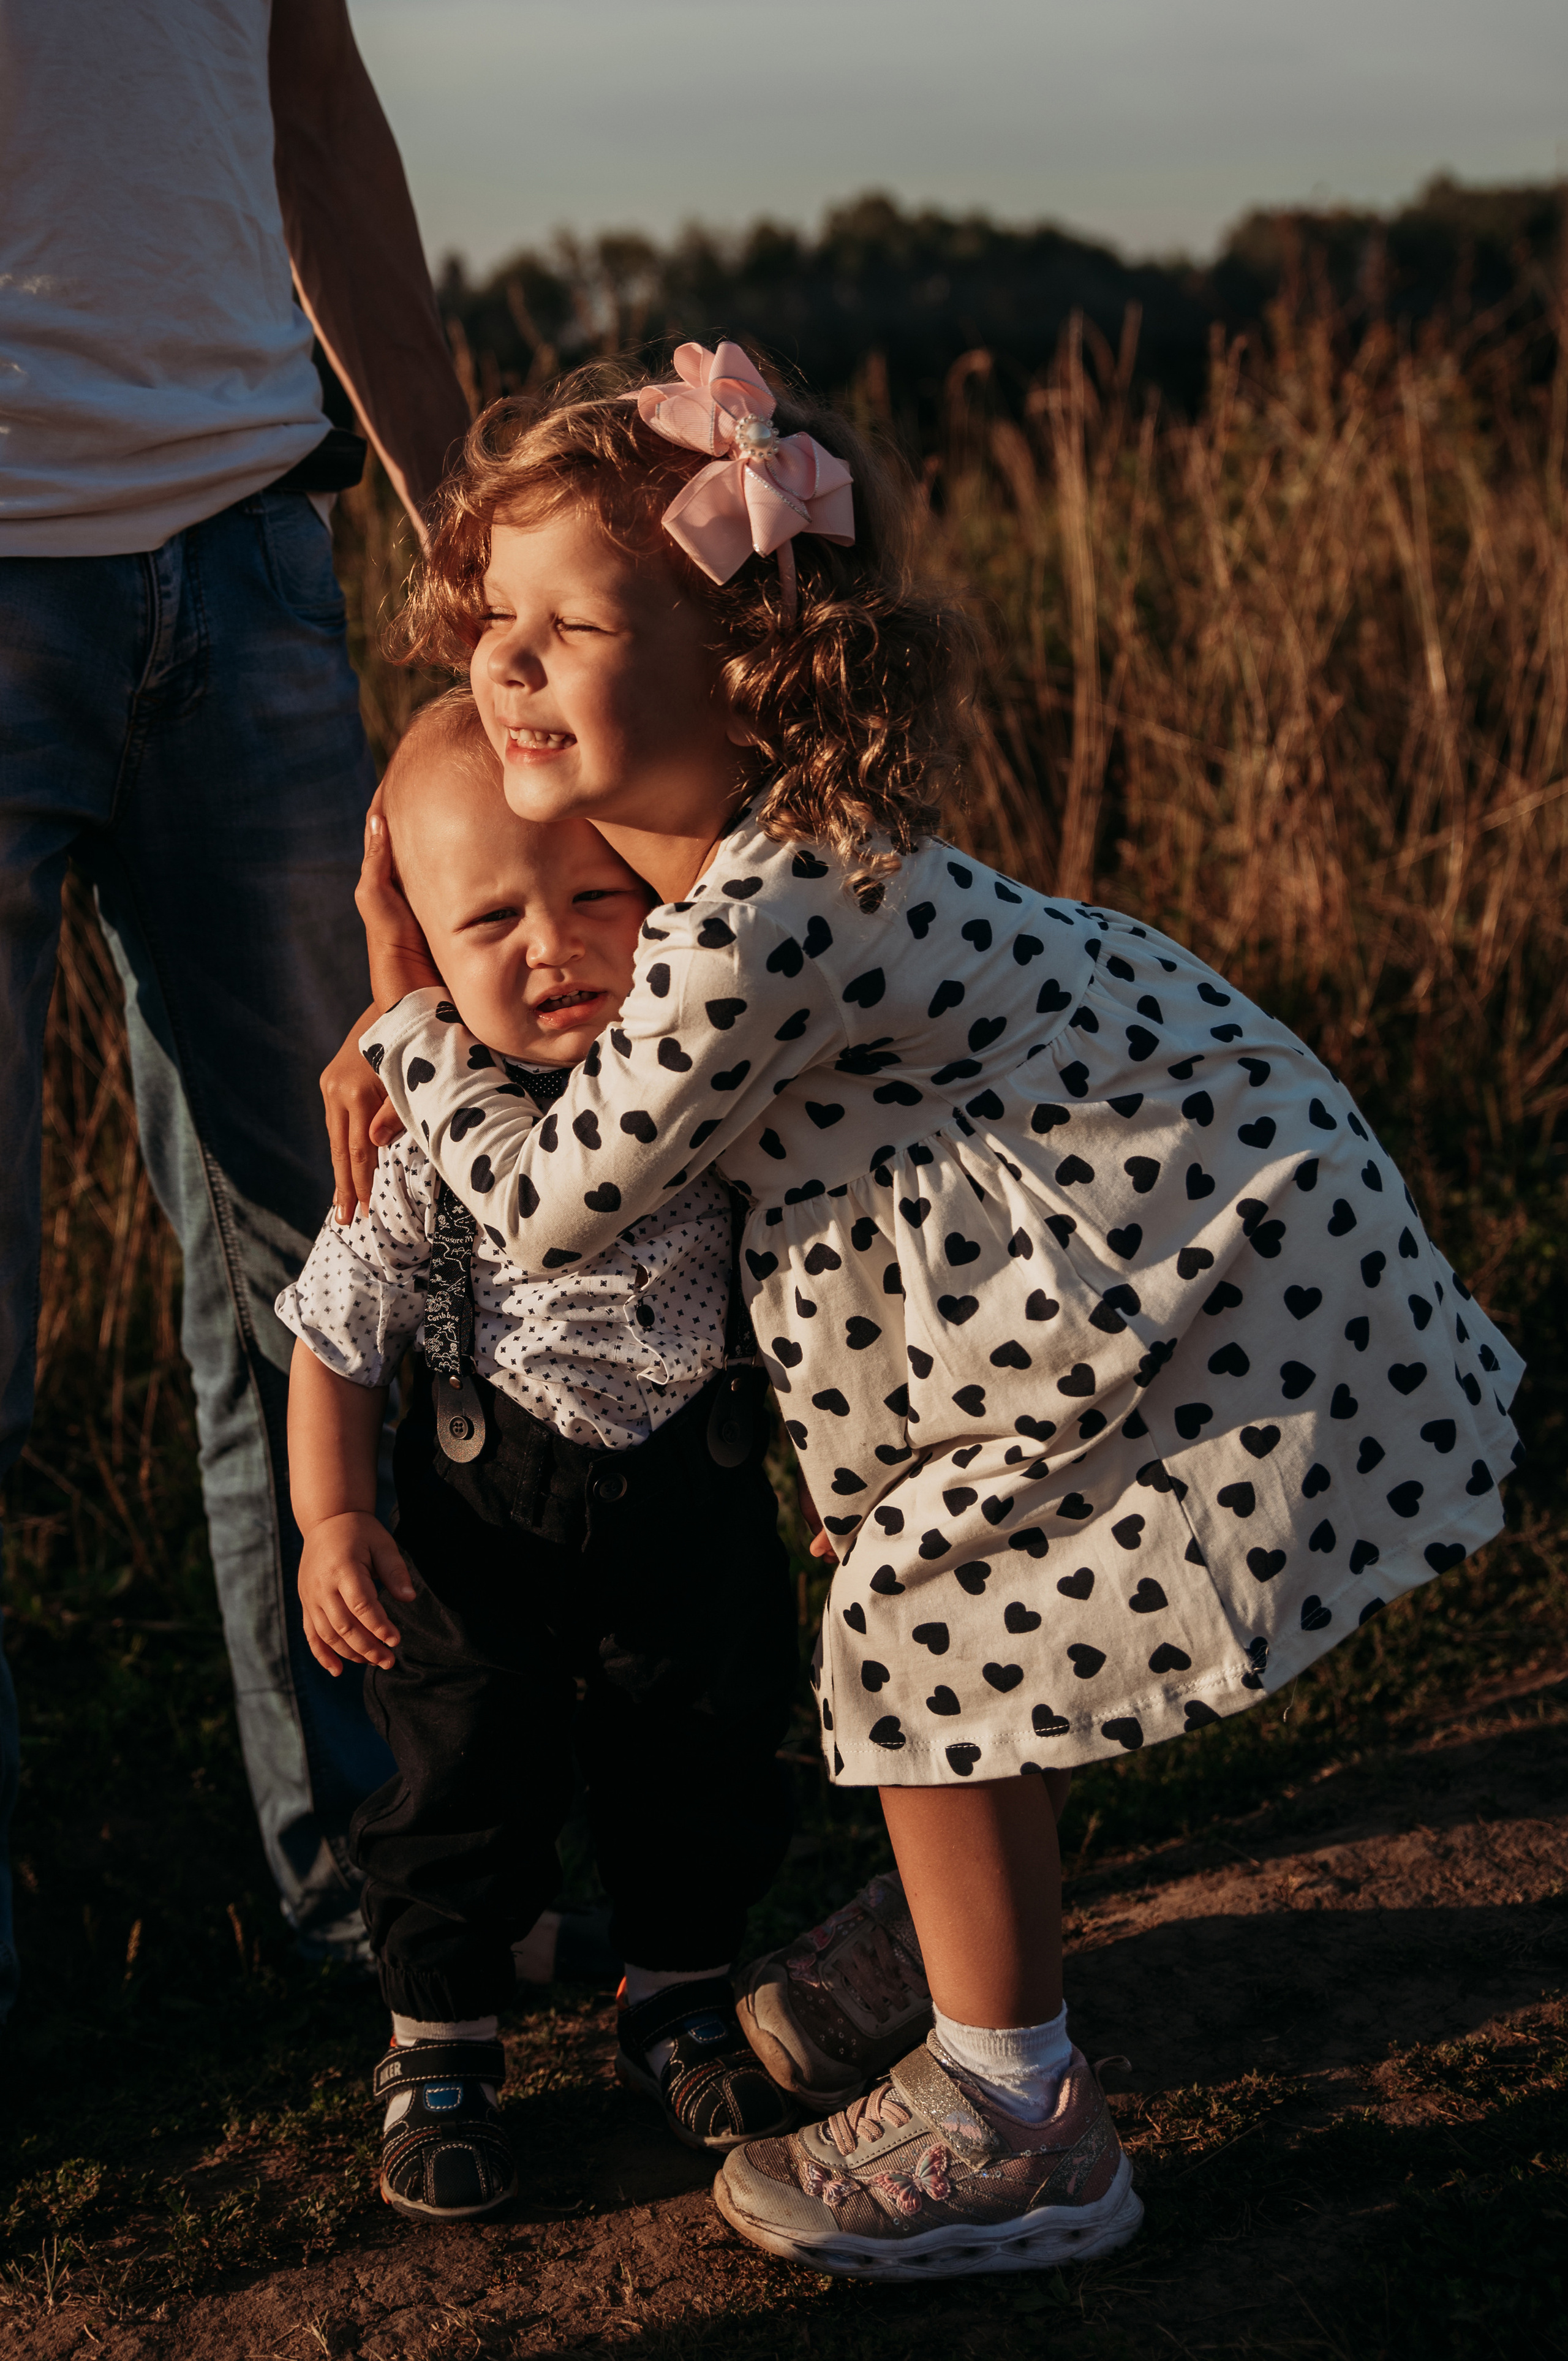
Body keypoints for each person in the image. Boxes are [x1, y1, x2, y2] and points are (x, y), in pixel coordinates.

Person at [333, 341, 1523, 2276]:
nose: (512, 660)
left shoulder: (757, 919)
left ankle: (1022, 2109)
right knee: (938, 1581)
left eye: (575, 622)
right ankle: (967, 1921)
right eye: (501, 621)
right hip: (1103, 1250)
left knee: (912, 1622)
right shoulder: (729, 869)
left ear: (743, 667)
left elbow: (558, 1202)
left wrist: (402, 1016)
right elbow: (843, 1225)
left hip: (1183, 1246)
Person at [0, 0, 473, 2014]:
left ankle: (396, 1892)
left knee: (346, 1266)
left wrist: (467, 522)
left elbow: (303, 79)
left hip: (255, 544)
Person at [280, 698, 797, 2222]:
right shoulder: (416, 1135)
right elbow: (333, 1340)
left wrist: (846, 1471)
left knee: (699, 1754)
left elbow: (812, 1297)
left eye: (597, 900)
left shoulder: (723, 1105)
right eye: (490, 916)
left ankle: (678, 1997)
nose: (553, 947)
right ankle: (441, 2045)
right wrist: (333, 1517)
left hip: (689, 1510)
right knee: (452, 1785)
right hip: (475, 1522)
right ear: (424, 952)